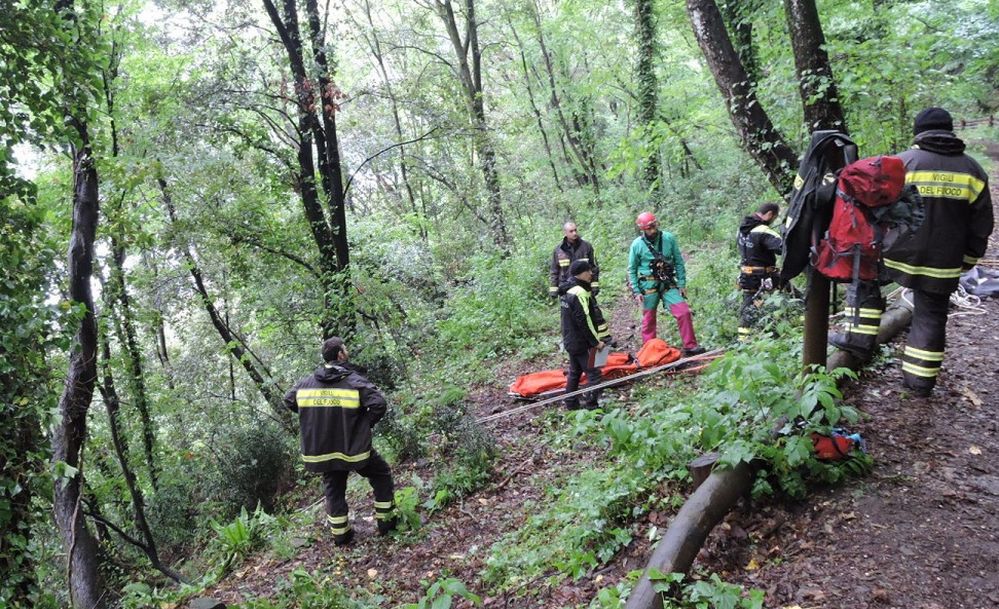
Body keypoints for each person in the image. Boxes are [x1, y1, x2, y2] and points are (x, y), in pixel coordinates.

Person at [882, 107, 993, 397]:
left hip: (896, 256)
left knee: (865, 284)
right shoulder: (973, 170)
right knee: (931, 316)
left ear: (918, 133)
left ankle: (855, 343)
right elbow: (981, 224)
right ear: (951, 131)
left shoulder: (902, 163)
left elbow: (879, 209)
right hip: (943, 261)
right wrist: (967, 260)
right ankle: (919, 384)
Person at [284, 337, 397, 545]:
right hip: (353, 447)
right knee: (381, 474)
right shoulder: (353, 381)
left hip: (324, 450)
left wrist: (315, 418)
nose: (347, 352)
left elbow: (289, 400)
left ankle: (341, 535)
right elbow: (379, 403)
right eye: (345, 349)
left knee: (333, 488)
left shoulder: (306, 383)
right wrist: (362, 426)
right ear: (340, 355)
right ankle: (386, 523)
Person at [628, 212, 705, 356]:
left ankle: (690, 346)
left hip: (668, 284)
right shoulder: (637, 245)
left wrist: (681, 283)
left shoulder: (668, 238)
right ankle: (650, 352)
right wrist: (636, 291)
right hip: (648, 286)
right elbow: (631, 269)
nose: (652, 230)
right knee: (649, 320)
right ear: (642, 229)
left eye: (654, 226)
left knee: (684, 312)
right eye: (649, 228)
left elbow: (678, 261)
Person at [559, 260, 607, 410]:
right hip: (581, 342)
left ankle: (571, 404)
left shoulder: (568, 289)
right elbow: (584, 320)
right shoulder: (579, 292)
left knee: (575, 372)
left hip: (570, 339)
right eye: (588, 271)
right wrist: (595, 342)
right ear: (580, 273)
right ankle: (592, 407)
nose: (591, 274)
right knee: (594, 374)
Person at [736, 203, 783, 341]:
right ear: (769, 214)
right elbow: (784, 248)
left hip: (746, 276)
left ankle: (742, 341)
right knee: (790, 298)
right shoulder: (763, 231)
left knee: (747, 307)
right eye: (774, 217)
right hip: (765, 276)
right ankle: (780, 335)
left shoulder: (741, 229)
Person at [549, 221, 600, 298]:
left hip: (584, 287)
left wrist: (594, 284)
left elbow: (594, 267)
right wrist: (553, 289)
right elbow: (554, 271)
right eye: (571, 231)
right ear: (565, 233)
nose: (574, 233)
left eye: (575, 230)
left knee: (588, 309)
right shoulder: (558, 250)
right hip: (566, 289)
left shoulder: (586, 247)